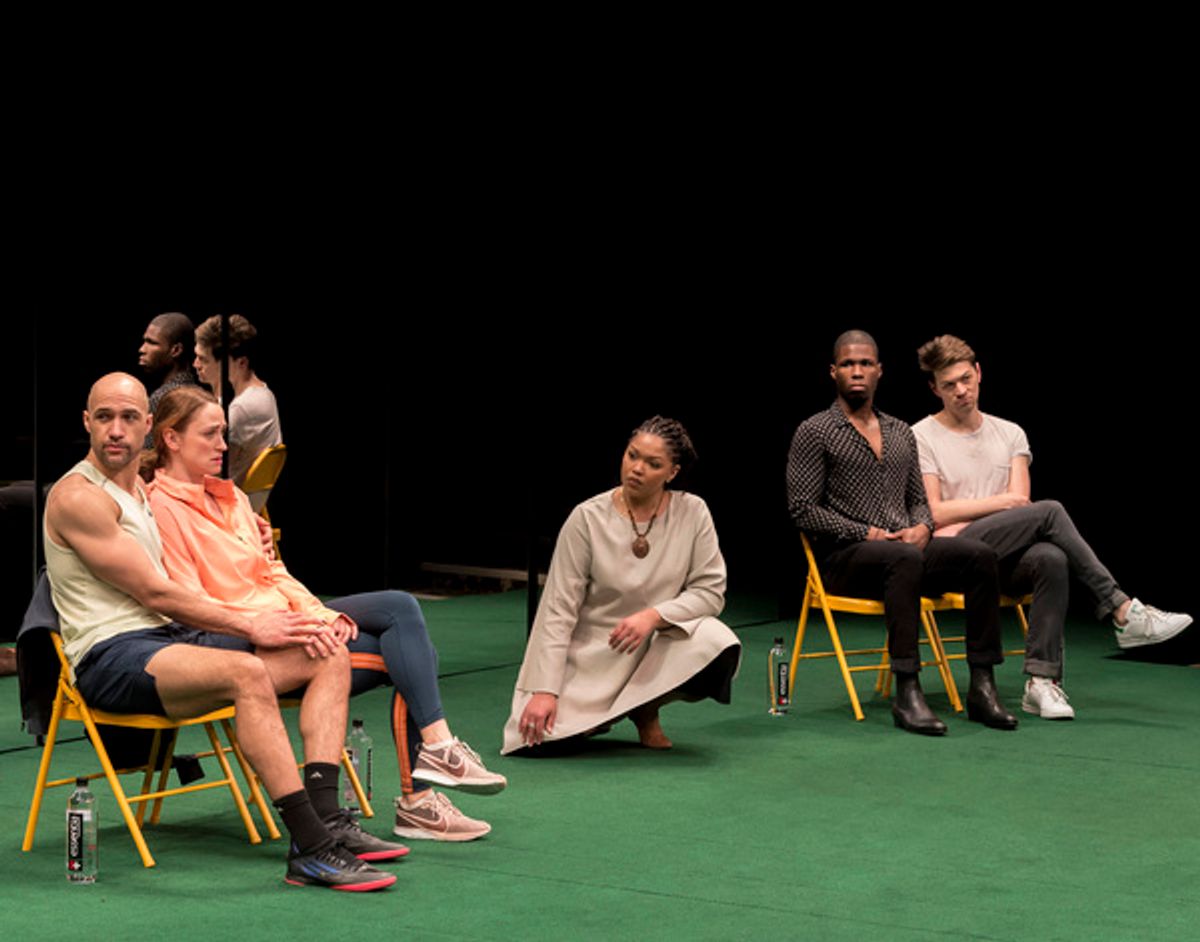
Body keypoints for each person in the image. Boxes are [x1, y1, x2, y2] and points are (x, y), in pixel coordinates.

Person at [42, 373, 402, 890]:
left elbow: (202, 522)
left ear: (148, 426)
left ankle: (330, 820)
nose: (115, 430)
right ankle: (311, 848)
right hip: (110, 655)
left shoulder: (140, 491)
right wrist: (254, 622)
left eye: (127, 418)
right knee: (245, 672)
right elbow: (158, 594)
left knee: (324, 651)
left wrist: (252, 534)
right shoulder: (79, 498)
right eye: (104, 417)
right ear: (87, 422)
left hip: (168, 643)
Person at [145, 385, 505, 842]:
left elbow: (273, 572)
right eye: (210, 435)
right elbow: (194, 602)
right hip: (252, 638)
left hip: (288, 617)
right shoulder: (161, 507)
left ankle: (436, 752)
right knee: (414, 658)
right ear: (171, 439)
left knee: (400, 608)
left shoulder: (232, 497)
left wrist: (317, 613)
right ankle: (418, 797)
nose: (223, 445)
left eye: (224, 433)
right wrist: (291, 623)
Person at [912, 334, 1193, 720]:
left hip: (1002, 557)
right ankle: (1124, 610)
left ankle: (1042, 683)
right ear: (934, 388)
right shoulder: (920, 436)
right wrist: (1002, 505)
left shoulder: (1010, 434)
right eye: (949, 385)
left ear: (979, 372)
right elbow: (936, 513)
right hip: (956, 555)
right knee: (1051, 511)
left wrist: (1000, 510)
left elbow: (1021, 509)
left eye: (965, 379)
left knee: (1050, 556)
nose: (961, 391)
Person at [786, 331, 1017, 736]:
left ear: (879, 371)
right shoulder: (815, 431)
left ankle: (982, 685)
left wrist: (923, 527)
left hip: (904, 553)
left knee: (978, 555)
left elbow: (918, 501)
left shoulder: (899, 433)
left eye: (865, 364)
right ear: (833, 372)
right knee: (903, 558)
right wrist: (866, 532)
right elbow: (802, 509)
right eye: (847, 364)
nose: (856, 371)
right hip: (845, 558)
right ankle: (907, 690)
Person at [503, 416, 741, 755]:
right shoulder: (586, 518)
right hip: (593, 653)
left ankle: (646, 708)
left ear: (671, 472)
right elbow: (558, 610)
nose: (637, 468)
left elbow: (710, 592)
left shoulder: (693, 512)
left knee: (718, 641)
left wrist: (653, 616)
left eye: (653, 463)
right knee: (536, 742)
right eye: (632, 455)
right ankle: (600, 714)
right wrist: (545, 690)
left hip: (652, 647)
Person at [193, 314, 282, 491]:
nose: (196, 364)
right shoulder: (264, 393)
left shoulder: (243, 408)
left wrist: (217, 383)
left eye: (203, 359)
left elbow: (210, 468)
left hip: (229, 500)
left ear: (241, 362)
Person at [139, 312, 199, 420]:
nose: (142, 349)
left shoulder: (162, 399)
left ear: (176, 350)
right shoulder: (200, 394)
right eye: (144, 342)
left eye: (151, 343)